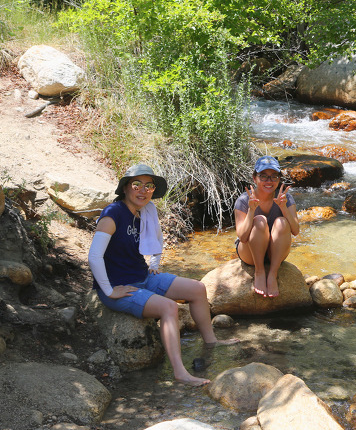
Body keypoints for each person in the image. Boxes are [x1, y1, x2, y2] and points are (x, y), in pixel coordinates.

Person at [88, 164, 237, 387]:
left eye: (149, 186)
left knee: (197, 288)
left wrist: (155, 264)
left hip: (143, 277)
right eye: (137, 184)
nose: (143, 190)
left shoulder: (146, 212)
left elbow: (157, 238)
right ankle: (180, 372)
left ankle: (211, 341)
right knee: (170, 308)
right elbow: (93, 257)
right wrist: (109, 290)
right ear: (126, 188)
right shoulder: (113, 214)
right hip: (119, 287)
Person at [234, 156, 300, 298]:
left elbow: (295, 231)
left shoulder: (285, 198)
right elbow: (243, 237)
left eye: (273, 176)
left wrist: (284, 208)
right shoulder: (244, 200)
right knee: (259, 221)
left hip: (274, 254)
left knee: (282, 222)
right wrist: (251, 211)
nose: (269, 181)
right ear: (254, 178)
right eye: (263, 176)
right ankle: (259, 272)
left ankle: (272, 274)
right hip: (249, 254)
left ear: (279, 179)